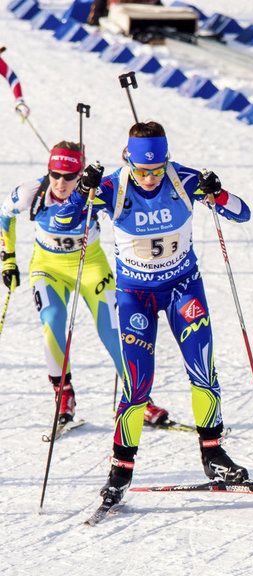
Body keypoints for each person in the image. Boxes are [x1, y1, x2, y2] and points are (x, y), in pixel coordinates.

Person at [53, 121, 251, 507]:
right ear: (127, 159)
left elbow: (243, 214)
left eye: (156, 170)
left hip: (182, 289)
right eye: (142, 170)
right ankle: (120, 472)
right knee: (137, 384)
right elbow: (62, 221)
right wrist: (81, 191)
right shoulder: (111, 187)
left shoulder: (185, 180)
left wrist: (219, 193)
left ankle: (213, 455)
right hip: (135, 295)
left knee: (203, 368)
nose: (149, 178)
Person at [1, 141, 169, 428]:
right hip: (48, 268)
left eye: (69, 176)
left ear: (80, 174)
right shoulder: (32, 192)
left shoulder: (94, 191)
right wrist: (9, 259)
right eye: (55, 175)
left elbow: (130, 203)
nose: (61, 183)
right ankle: (63, 395)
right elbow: (5, 217)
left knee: (115, 331)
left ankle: (139, 401)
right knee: (52, 321)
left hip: (91, 266)